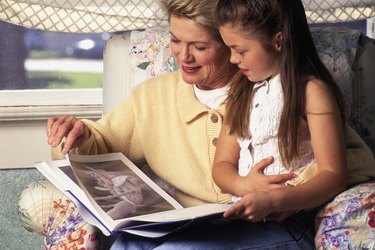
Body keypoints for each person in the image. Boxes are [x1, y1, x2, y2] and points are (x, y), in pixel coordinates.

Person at [19, 0, 374, 249]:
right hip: (197, 225)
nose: (183, 56)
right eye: (175, 41)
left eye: (200, 47)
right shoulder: (160, 97)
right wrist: (78, 134)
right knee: (126, 245)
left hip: (272, 224)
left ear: (230, 41)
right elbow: (99, 143)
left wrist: (279, 193)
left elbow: (342, 166)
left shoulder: (279, 90)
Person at [212, 0, 348, 225]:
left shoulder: (312, 92)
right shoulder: (241, 93)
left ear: (277, 41)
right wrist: (243, 185)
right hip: (240, 218)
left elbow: (333, 176)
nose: (232, 59)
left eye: (240, 50)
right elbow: (221, 165)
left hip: (288, 222)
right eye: (229, 49)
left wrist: (276, 200)